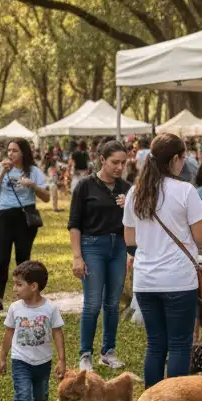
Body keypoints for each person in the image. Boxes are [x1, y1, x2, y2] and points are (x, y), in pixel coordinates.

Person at [123, 134, 202, 387]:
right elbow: (201, 237)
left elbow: (130, 237)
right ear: (175, 159)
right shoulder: (185, 191)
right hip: (178, 280)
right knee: (180, 345)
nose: (185, 163)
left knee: (155, 344)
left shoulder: (134, 192)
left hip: (146, 280)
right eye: (184, 158)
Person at [69, 140, 132, 372]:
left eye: (123, 163)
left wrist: (130, 206)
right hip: (92, 245)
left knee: (113, 303)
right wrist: (78, 256)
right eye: (115, 162)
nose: (119, 167)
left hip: (119, 247)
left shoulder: (127, 188)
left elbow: (136, 222)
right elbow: (74, 224)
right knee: (93, 303)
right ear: (102, 160)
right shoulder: (85, 186)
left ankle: (109, 351)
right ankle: (85, 354)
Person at [0, 260, 65, 401]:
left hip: (43, 361)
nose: (14, 289)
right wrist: (3, 358)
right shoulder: (15, 308)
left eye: (19, 284)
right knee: (22, 395)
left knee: (41, 395)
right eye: (14, 284)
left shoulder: (50, 308)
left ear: (34, 286)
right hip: (20, 360)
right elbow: (9, 333)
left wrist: (62, 360)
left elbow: (57, 333)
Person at [0, 138, 50, 315]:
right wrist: (1, 174)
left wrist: (33, 185)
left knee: (23, 260)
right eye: (9, 150)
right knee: (2, 260)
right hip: (3, 217)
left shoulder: (33, 171)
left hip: (24, 218)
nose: (10, 154)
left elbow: (47, 197)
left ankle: (24, 300)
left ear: (23, 153)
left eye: (14, 150)